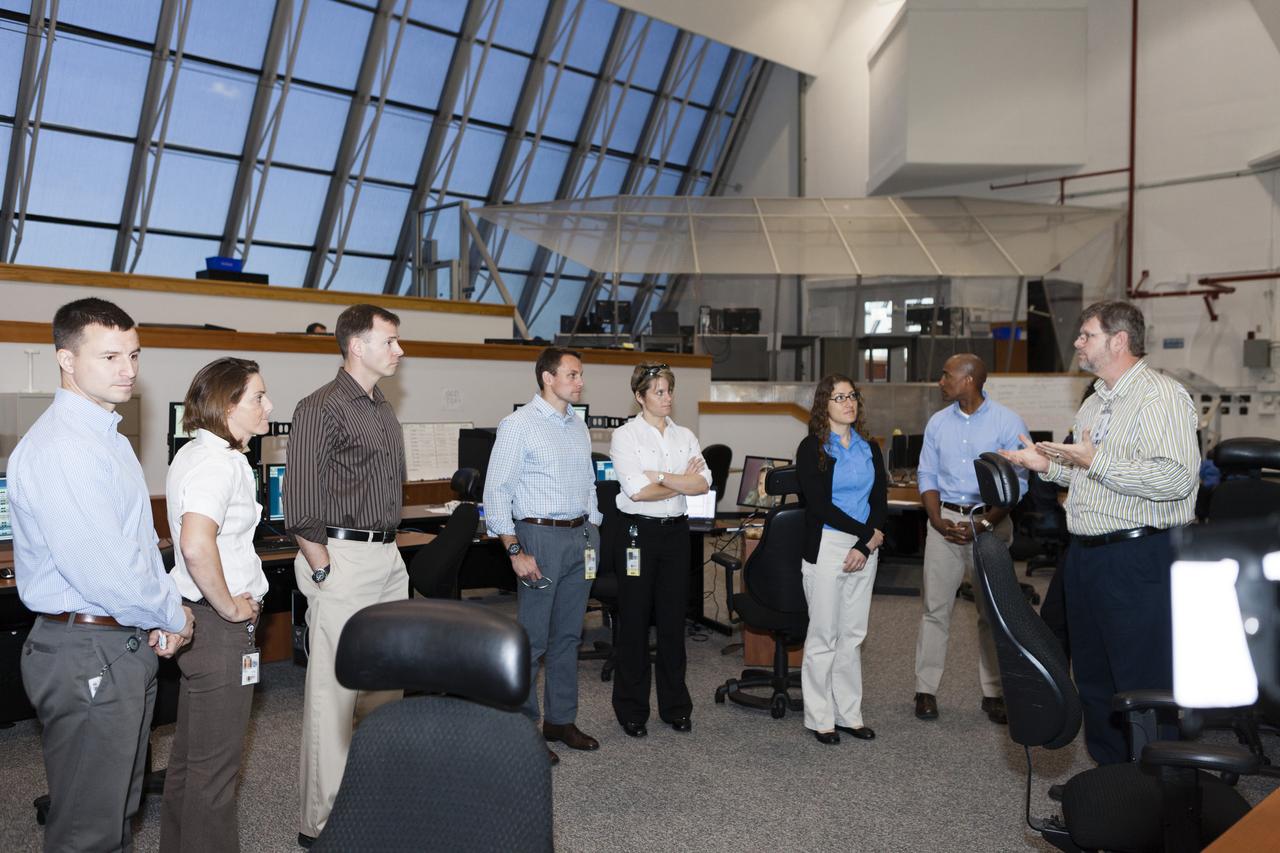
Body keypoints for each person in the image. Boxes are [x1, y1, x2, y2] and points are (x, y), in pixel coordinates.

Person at [9, 298, 194, 851]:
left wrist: (155, 612)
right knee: (88, 829)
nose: (128, 370)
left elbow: (136, 547)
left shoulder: (105, 438)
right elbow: (106, 570)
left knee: (116, 809)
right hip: (87, 646)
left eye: (134, 355)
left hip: (114, 639)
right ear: (66, 359)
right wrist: (171, 612)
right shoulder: (65, 447)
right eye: (110, 356)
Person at [1000, 300, 1198, 764]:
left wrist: (1094, 460)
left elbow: (1176, 479)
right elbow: (1089, 476)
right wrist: (1047, 466)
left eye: (1086, 334)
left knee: (1143, 681)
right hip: (1088, 557)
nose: (1077, 343)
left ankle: (1157, 793)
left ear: (1119, 340)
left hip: (1139, 556)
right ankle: (1113, 789)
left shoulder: (1160, 397)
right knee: (1094, 680)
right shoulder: (1094, 402)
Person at [284, 303, 408, 844]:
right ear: (357, 346)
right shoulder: (320, 407)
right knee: (333, 693)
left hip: (387, 557)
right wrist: (322, 568)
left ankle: (375, 794)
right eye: (391, 341)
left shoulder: (381, 407)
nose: (400, 350)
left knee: (385, 687)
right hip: (340, 558)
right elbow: (300, 502)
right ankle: (322, 822)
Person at [160, 357, 272, 853]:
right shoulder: (216, 463)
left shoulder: (197, 454)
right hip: (218, 628)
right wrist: (229, 608)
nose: (268, 407)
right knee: (214, 775)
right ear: (228, 406)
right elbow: (194, 544)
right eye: (257, 398)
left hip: (200, 623)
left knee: (191, 764)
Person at [484, 347, 602, 764]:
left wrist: (595, 526)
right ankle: (523, 729)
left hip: (580, 536)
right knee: (532, 641)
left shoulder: (577, 425)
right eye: (572, 374)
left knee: (569, 636)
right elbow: (496, 491)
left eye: (581, 374)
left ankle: (560, 720)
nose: (580, 381)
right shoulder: (518, 425)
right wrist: (514, 549)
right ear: (548, 378)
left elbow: (589, 480)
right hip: (539, 537)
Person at [912, 354, 1028, 725]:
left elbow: (1018, 485)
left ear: (969, 380)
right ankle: (925, 689)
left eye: (946, 375)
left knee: (990, 615)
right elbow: (926, 473)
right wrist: (936, 518)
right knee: (935, 610)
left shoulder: (1007, 422)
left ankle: (994, 693)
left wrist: (984, 524)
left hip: (990, 525)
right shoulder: (937, 422)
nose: (940, 381)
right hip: (943, 523)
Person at [608, 363, 711, 737]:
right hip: (638, 533)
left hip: (675, 534)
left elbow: (703, 483)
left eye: (669, 391)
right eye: (658, 392)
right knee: (634, 622)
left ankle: (675, 707)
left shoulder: (684, 435)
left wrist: (662, 477)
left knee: (672, 622)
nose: (667, 398)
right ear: (640, 396)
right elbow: (637, 490)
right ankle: (632, 711)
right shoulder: (625, 437)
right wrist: (681, 481)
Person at [795, 374, 887, 745]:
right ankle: (820, 718)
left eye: (851, 396)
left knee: (852, 635)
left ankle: (849, 714)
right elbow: (818, 506)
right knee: (824, 635)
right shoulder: (813, 447)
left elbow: (880, 498)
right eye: (838, 397)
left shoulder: (869, 448)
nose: (848, 403)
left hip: (865, 547)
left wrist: (867, 543)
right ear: (824, 405)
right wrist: (865, 535)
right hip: (829, 545)